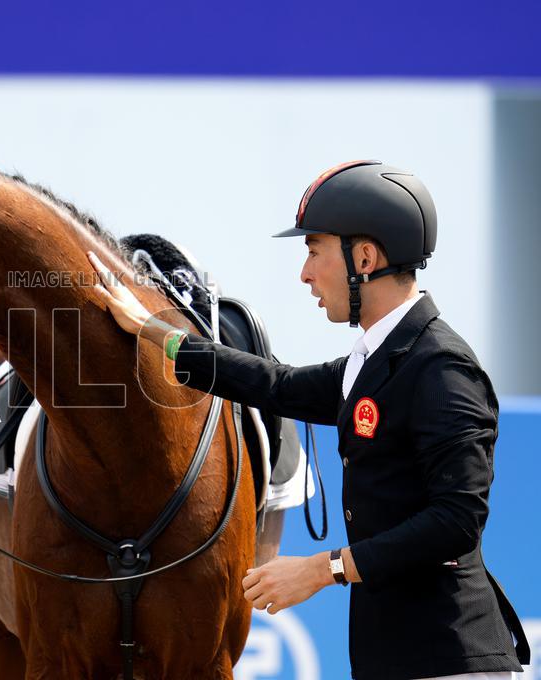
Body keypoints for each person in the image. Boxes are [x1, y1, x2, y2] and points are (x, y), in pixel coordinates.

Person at [87, 160, 529, 680]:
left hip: (453, 659)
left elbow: (457, 520)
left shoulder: (441, 367)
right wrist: (154, 330)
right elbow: (275, 385)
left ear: (364, 257)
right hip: (398, 659)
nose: (304, 273)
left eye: (314, 252)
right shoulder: (375, 361)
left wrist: (322, 570)